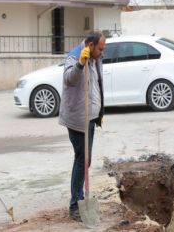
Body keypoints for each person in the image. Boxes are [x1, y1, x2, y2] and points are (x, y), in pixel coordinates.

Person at [59, 31, 106, 221]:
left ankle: (78, 199)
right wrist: (80, 63)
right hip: (77, 119)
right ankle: (75, 205)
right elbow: (69, 79)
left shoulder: (96, 59)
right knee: (82, 160)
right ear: (91, 45)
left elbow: (97, 84)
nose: (102, 52)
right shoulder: (75, 55)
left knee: (85, 160)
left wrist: (100, 111)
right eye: (100, 48)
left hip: (90, 118)